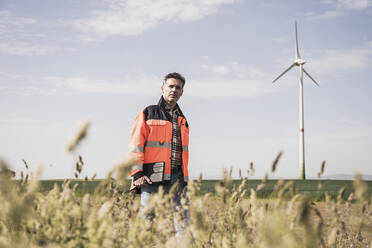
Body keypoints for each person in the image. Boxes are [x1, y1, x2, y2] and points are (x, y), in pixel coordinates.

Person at [128, 72, 189, 234]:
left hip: (178, 177)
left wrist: (185, 178)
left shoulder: (183, 120)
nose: (174, 90)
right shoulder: (148, 112)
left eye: (178, 87)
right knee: (147, 221)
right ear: (162, 89)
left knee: (183, 223)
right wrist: (137, 173)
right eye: (171, 86)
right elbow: (136, 144)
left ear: (182, 92)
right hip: (152, 175)